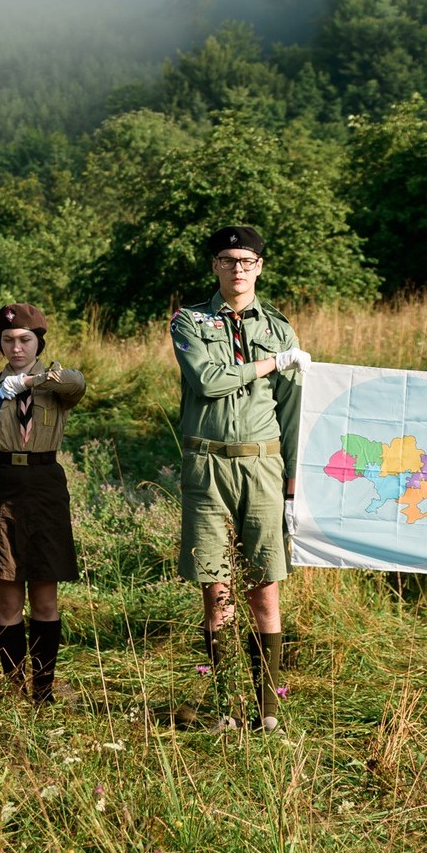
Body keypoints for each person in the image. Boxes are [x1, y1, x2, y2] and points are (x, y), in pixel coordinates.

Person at [171, 224, 309, 732]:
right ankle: (228, 704)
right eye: (229, 260)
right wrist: (271, 364)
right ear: (215, 266)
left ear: (260, 267)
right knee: (217, 591)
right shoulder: (189, 322)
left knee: (265, 590)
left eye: (247, 261)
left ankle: (269, 709)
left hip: (263, 465)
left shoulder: (279, 327)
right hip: (207, 467)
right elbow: (207, 381)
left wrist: (294, 483)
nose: (238, 269)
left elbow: (292, 410)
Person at [0, 302, 87, 703]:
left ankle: (42, 690)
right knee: (7, 596)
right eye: (8, 340)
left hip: (43, 485)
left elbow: (75, 383)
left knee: (44, 595)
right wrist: (5, 389)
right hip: (1, 486)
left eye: (25, 339)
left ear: (39, 341)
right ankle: (15, 687)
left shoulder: (56, 383)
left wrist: (28, 383)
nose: (16, 348)